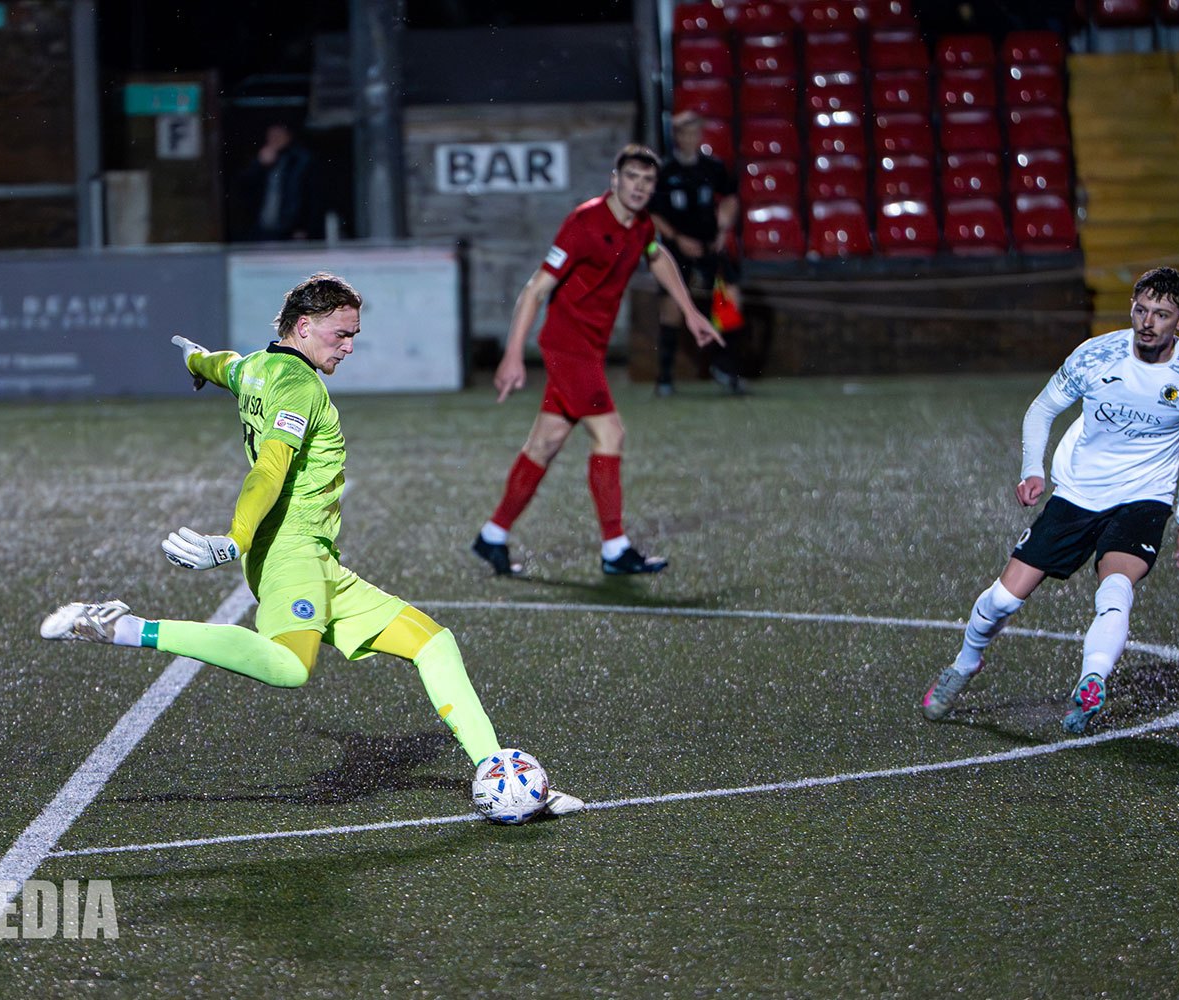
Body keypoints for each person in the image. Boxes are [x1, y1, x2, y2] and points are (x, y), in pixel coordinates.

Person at [40, 273, 582, 819]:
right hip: (288, 551)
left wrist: (196, 362)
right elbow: (270, 469)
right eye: (341, 334)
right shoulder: (300, 387)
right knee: (289, 666)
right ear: (304, 327)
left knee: (433, 643)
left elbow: (226, 367)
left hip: (318, 560)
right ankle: (124, 627)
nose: (349, 347)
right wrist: (234, 539)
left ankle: (501, 773)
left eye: (354, 336)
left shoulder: (258, 366)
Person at [921, 267, 1179, 734]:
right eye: (1141, 310)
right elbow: (1042, 408)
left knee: (1116, 589)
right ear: (1131, 308)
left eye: (1161, 314)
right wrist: (1032, 469)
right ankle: (965, 663)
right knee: (1002, 600)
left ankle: (1092, 681)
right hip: (1079, 492)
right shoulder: (1095, 355)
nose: (1147, 322)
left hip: (1145, 497)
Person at [471, 144, 722, 577]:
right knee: (611, 434)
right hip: (567, 348)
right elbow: (535, 290)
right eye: (632, 178)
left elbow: (657, 256)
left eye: (647, 181)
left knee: (545, 444)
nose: (639, 187)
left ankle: (492, 536)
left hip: (591, 349)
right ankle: (614, 549)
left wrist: (690, 311)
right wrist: (513, 355)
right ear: (615, 180)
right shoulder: (583, 224)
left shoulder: (642, 225)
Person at [648, 110, 746, 396]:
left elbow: (730, 198)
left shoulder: (713, 167)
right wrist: (676, 238)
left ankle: (726, 369)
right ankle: (665, 378)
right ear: (676, 136)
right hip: (677, 249)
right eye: (685, 133)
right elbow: (651, 213)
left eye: (695, 133)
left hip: (709, 246)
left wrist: (723, 228)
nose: (690, 138)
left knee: (729, 300)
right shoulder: (665, 171)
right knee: (671, 308)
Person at [236, 123, 320, 241]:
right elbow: (244, 188)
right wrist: (259, 165)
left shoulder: (301, 160)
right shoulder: (261, 158)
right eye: (272, 135)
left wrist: (304, 227)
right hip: (263, 227)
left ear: (288, 136)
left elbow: (311, 197)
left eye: (278, 135)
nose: (275, 139)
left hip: (290, 229)